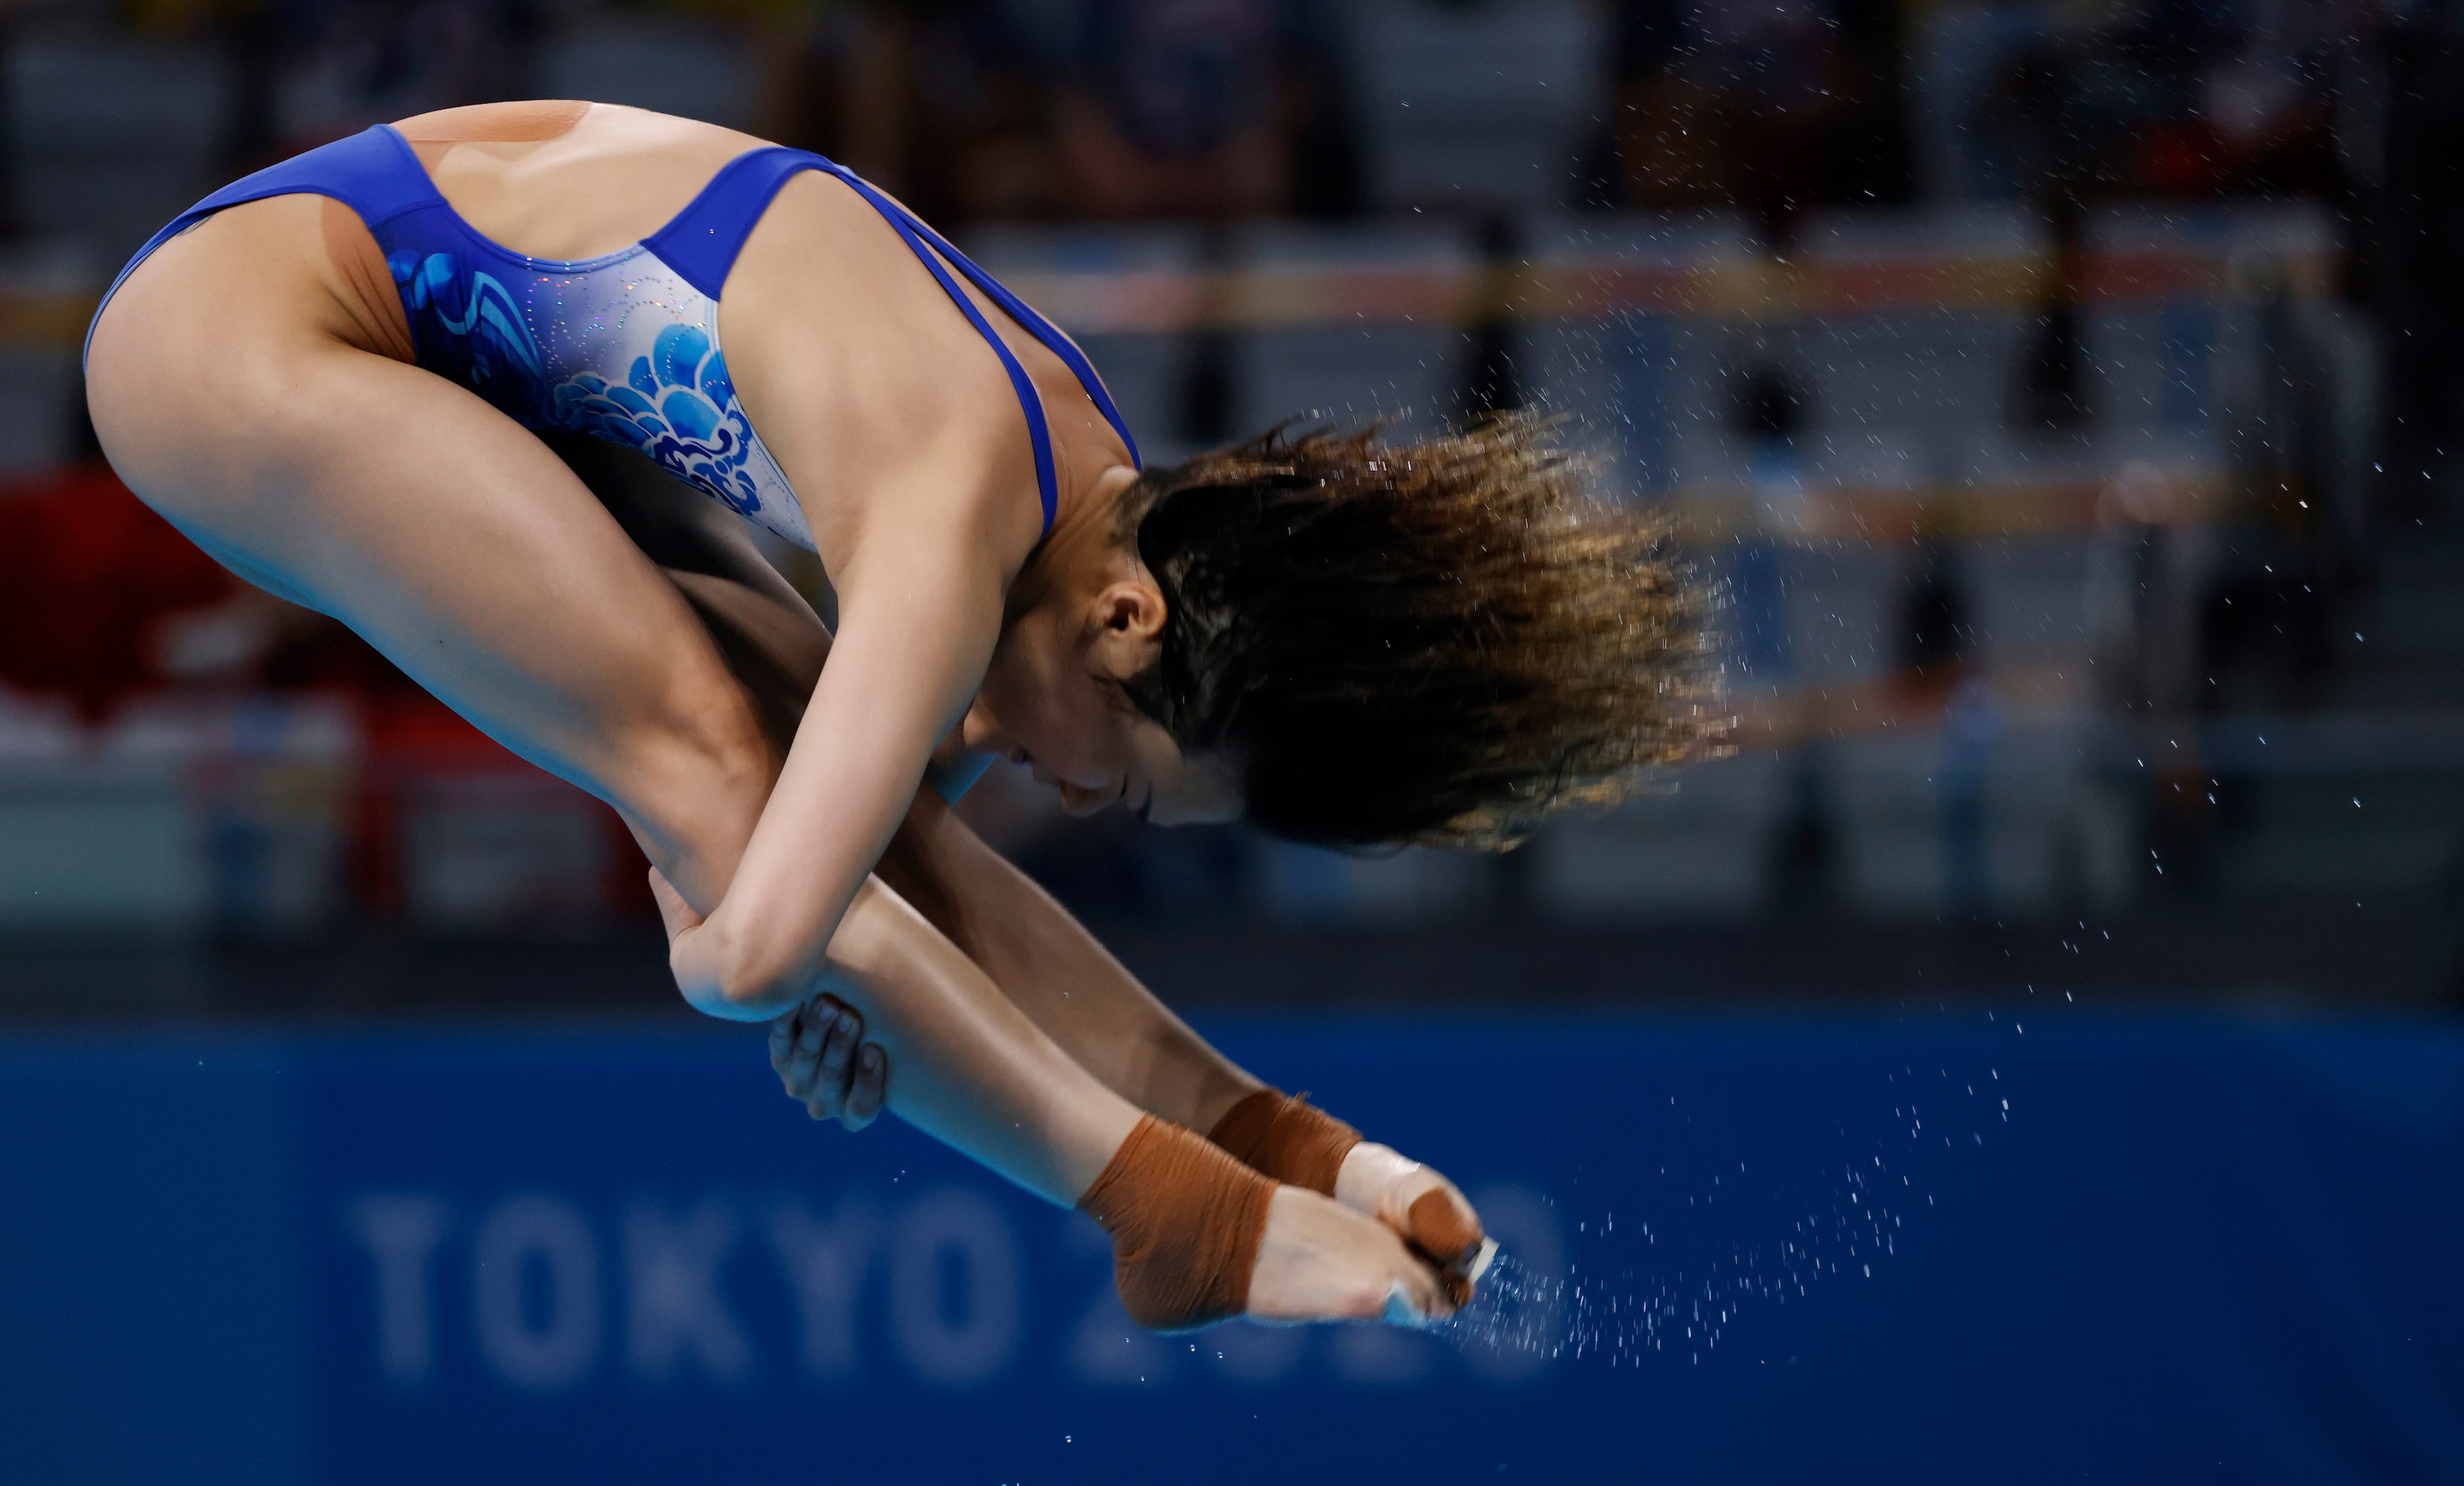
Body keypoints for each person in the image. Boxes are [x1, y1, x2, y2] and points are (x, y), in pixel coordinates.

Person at [85, 101, 1714, 1331]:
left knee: (822, 807)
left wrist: (1320, 1161)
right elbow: (765, 947)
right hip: (232, 337)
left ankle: (1257, 1141)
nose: (1081, 803)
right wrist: (734, 963)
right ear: (1130, 620)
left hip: (456, 352)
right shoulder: (948, 518)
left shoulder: (1077, 494)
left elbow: (873, 889)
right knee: (725, 777)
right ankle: (1177, 1217)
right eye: (1130, 789)